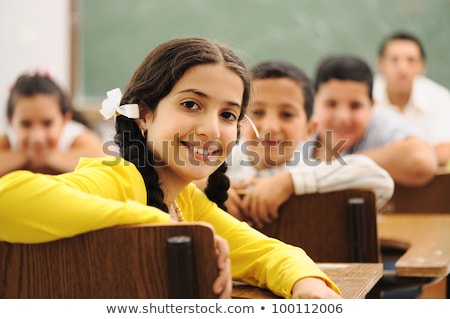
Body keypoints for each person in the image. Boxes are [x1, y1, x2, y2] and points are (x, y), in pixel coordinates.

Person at [0, 38, 341, 299]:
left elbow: (268, 253)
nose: (211, 128)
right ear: (145, 114)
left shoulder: (187, 202)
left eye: (228, 114)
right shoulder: (117, 177)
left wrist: (306, 285)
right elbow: (7, 199)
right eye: (191, 104)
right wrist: (164, 228)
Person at [221, 60, 394, 227]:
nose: (270, 127)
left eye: (287, 115)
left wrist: (290, 182)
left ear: (310, 129)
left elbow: (381, 181)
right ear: (239, 120)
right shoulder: (221, 164)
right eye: (257, 112)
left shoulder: (311, 173)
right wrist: (206, 187)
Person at [311, 54, 438, 188]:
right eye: (331, 104)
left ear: (372, 105)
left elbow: (421, 160)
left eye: (355, 106)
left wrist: (332, 171)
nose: (343, 117)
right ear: (313, 103)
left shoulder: (381, 123)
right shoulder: (299, 123)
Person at [0, 72, 104, 176]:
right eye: (26, 124)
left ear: (65, 121)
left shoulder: (75, 136)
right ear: (10, 122)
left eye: (47, 123)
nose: (37, 137)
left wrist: (47, 157)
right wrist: (25, 155)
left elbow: (103, 160)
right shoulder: (8, 140)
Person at [373, 31, 450, 166]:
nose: (403, 68)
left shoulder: (440, 98)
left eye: (411, 60)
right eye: (394, 60)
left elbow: (445, 149)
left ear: (422, 66)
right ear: (380, 64)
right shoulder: (363, 98)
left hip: (424, 179)